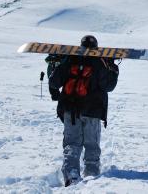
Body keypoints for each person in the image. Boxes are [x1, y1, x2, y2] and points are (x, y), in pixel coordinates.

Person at [48, 35, 119, 187]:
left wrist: (57, 64)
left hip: (70, 109)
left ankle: (72, 175)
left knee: (72, 144)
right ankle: (92, 176)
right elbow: (108, 86)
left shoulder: (70, 60)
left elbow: (54, 82)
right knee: (92, 145)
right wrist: (113, 68)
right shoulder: (100, 62)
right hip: (92, 111)